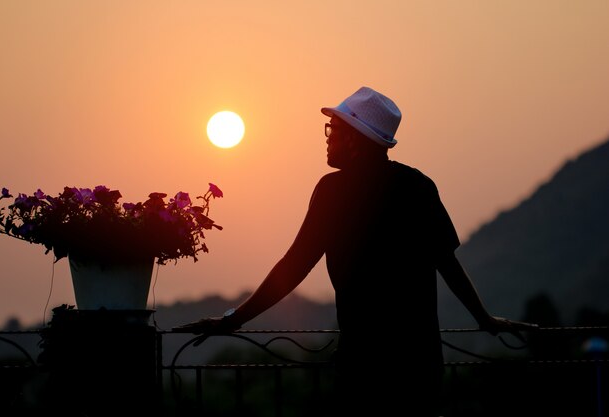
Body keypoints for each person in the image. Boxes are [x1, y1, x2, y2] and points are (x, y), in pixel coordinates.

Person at [173, 86, 538, 415]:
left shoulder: (333, 191)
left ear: (355, 139)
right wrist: (484, 319)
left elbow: (295, 266)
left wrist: (233, 320)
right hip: (420, 361)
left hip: (364, 362)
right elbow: (447, 263)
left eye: (334, 130)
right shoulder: (418, 187)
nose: (327, 139)